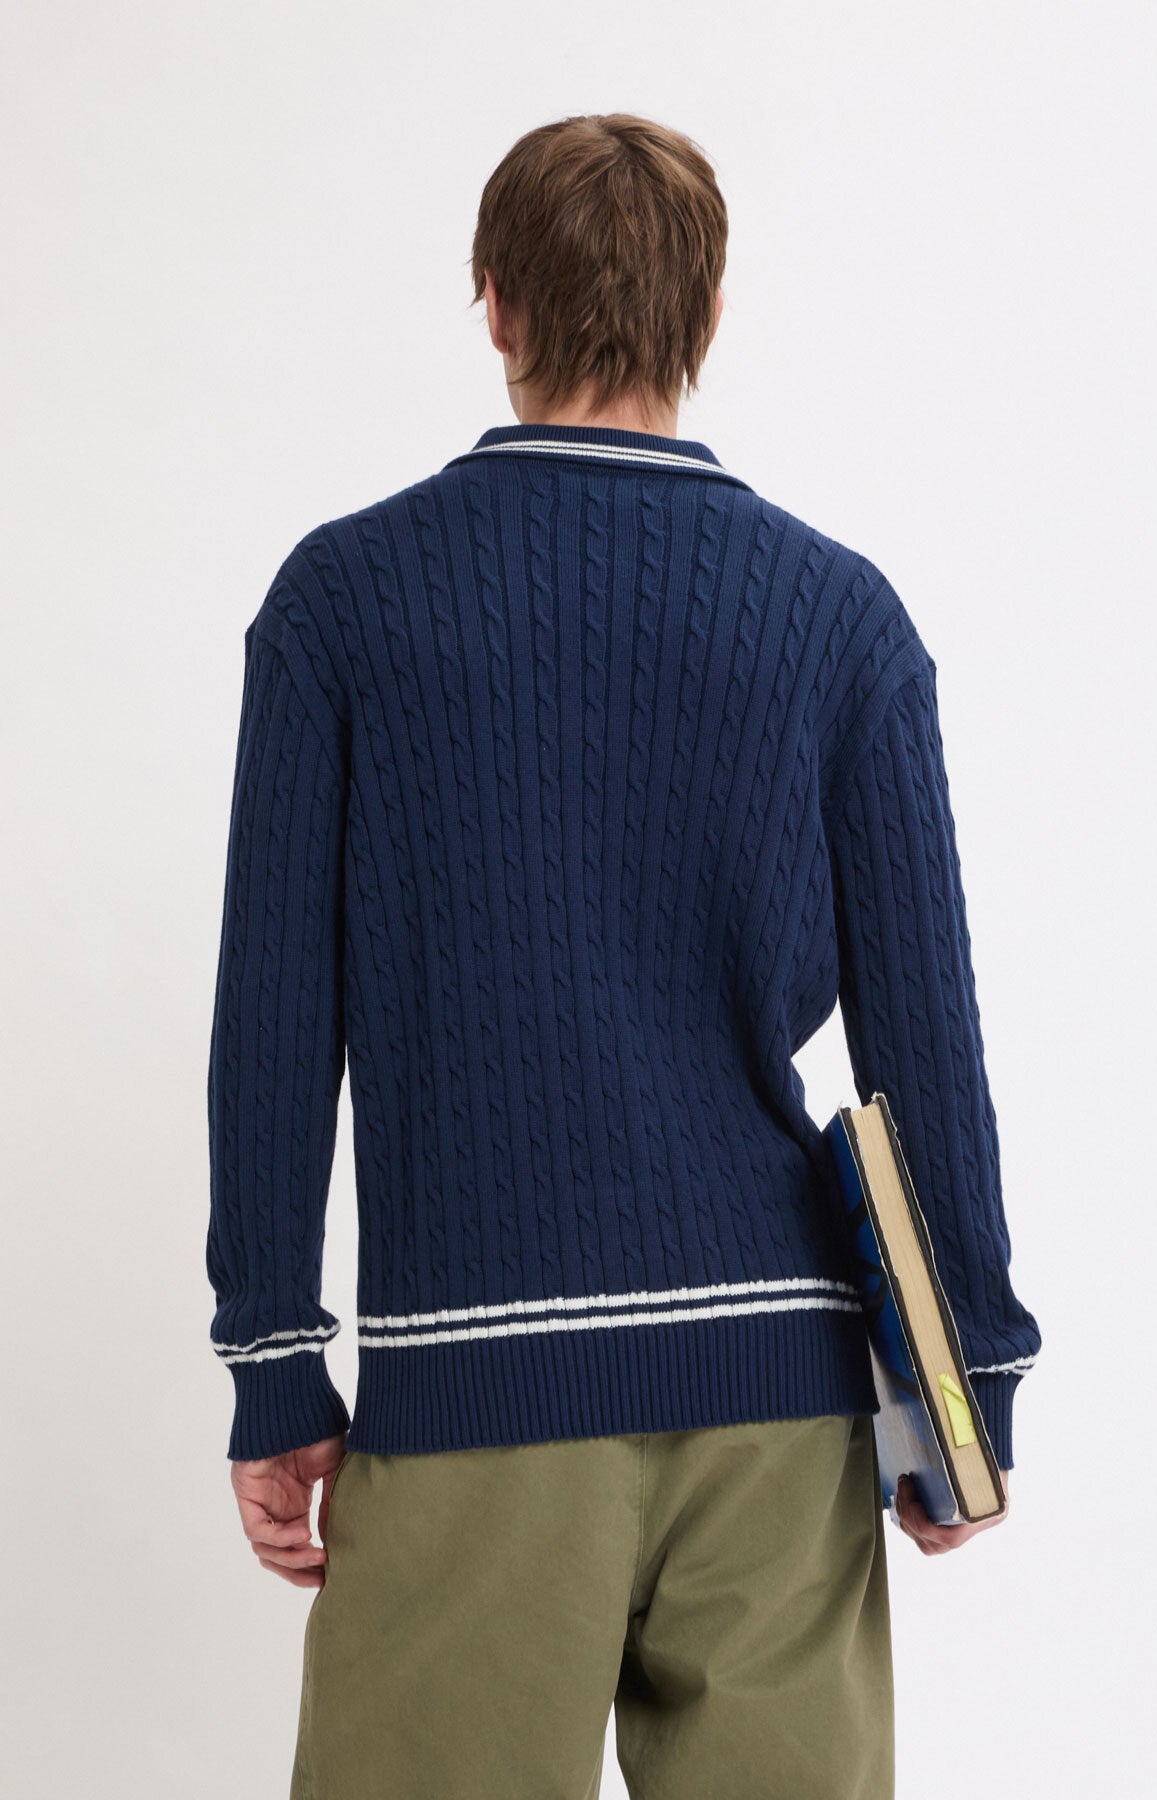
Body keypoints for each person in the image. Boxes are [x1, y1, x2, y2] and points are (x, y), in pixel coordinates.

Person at [206, 111, 1041, 1800]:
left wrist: (275, 1360)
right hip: (781, 1405)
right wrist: (972, 1388)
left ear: (496, 303)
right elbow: (925, 1037)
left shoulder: (344, 603)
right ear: (707, 313)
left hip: (475, 1387)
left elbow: (278, 1020)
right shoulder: (839, 617)